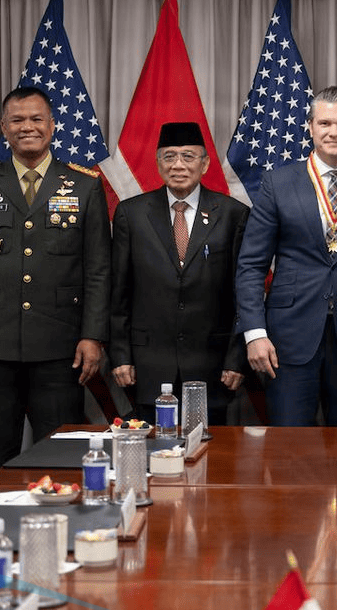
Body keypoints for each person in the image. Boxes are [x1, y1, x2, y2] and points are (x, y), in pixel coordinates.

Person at [0, 86, 110, 478]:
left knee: (61, 456)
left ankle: (59, 518)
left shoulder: (84, 185)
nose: (27, 127)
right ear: (4, 128)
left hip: (61, 346)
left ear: (52, 126)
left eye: (37, 119)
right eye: (17, 120)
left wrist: (93, 335)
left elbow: (98, 269)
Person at [235, 86, 337, 426]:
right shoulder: (277, 183)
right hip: (287, 341)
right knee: (289, 447)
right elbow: (251, 266)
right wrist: (255, 333)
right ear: (310, 127)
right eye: (325, 123)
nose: (334, 132)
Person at [111, 122, 249, 427]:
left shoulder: (232, 214)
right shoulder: (131, 214)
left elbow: (243, 294)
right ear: (158, 162)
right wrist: (120, 356)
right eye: (169, 156)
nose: (178, 165)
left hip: (212, 366)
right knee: (152, 447)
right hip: (148, 364)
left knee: (211, 450)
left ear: (205, 164)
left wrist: (236, 358)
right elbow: (118, 292)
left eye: (188, 156)